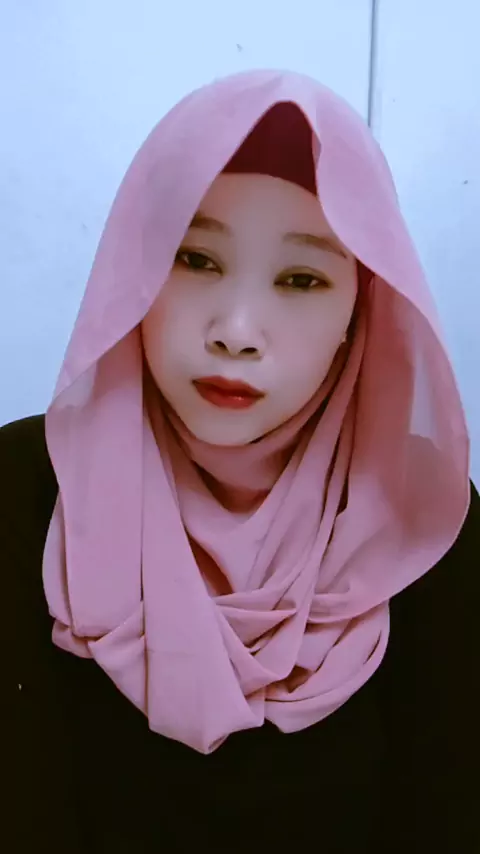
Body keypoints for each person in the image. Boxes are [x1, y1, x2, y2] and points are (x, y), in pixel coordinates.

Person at [2, 69, 479, 853]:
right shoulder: (24, 487)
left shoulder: (418, 514)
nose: (236, 330)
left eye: (301, 278)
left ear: (360, 312)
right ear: (135, 270)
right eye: (195, 260)